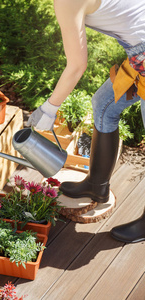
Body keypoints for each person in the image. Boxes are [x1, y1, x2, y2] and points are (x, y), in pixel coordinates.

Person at [27, 0, 145, 243]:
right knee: (104, 105)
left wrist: (49, 110)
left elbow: (77, 66)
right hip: (139, 53)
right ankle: (96, 185)